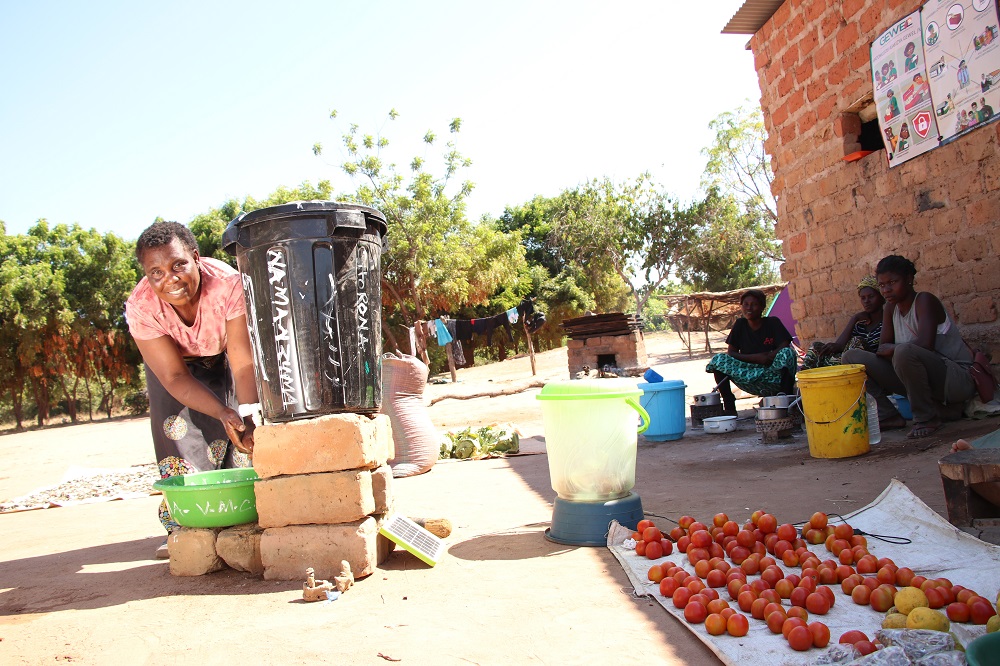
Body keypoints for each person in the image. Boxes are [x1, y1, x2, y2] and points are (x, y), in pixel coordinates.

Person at [125, 221, 258, 557]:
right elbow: (173, 377)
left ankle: (236, 518)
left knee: (235, 435)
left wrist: (245, 412)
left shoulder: (228, 285)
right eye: (155, 272)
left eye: (177, 265)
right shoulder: (142, 307)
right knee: (178, 434)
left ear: (196, 257)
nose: (169, 278)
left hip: (225, 356)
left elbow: (242, 362)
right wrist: (220, 410)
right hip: (175, 368)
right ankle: (185, 528)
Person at [842, 255, 976, 439]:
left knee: (904, 351)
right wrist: (893, 350)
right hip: (922, 377)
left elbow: (924, 345)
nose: (887, 289)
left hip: (956, 379)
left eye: (893, 282)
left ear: (909, 279)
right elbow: (882, 349)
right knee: (851, 358)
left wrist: (894, 349)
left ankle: (927, 418)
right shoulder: (890, 308)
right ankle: (889, 415)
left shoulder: (924, 301)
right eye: (882, 285)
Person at [705, 289, 798, 415]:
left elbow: (785, 345)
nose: (749, 308)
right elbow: (731, 353)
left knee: (788, 353)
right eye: (745, 304)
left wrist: (770, 355)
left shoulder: (772, 322)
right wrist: (756, 358)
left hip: (772, 374)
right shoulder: (740, 324)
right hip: (747, 373)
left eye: (754, 304)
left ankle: (784, 398)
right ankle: (729, 405)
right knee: (719, 360)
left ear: (762, 307)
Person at [801, 277, 885, 370]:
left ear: (882, 297)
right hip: (847, 362)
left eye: (871, 296)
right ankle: (807, 380)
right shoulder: (860, 326)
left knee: (857, 341)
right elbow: (838, 346)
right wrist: (854, 319)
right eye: (863, 298)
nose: (866, 301)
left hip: (873, 366)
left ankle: (832, 371)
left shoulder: (886, 323)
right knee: (816, 347)